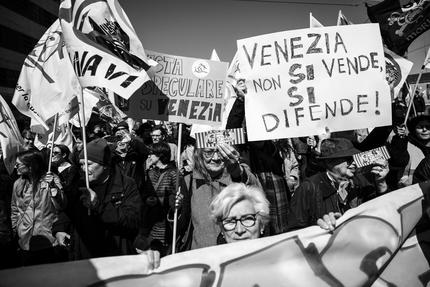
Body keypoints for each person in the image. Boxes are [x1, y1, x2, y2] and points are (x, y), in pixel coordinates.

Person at [53, 138, 141, 259]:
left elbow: (132, 221)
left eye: (88, 164)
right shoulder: (78, 183)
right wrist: (60, 229)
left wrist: (99, 206)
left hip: (114, 253)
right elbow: (67, 210)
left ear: (105, 165)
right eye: (81, 164)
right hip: (83, 253)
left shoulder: (126, 184)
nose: (84, 169)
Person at [287, 138, 389, 231]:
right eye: (348, 159)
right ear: (330, 162)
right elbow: (295, 231)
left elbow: (381, 214)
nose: (354, 162)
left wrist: (381, 183)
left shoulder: (360, 182)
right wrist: (321, 228)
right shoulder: (309, 187)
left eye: (355, 157)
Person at [189, 143, 261, 249]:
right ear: (199, 154)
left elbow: (256, 193)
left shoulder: (238, 174)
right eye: (209, 152)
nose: (216, 158)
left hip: (237, 254)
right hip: (203, 256)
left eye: (220, 152)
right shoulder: (189, 181)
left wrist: (237, 171)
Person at [11, 150, 66, 265]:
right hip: (26, 241)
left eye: (18, 164)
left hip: (48, 240)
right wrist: (17, 228)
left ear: (30, 166)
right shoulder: (18, 183)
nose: (15, 167)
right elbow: (15, 208)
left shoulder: (51, 179)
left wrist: (53, 188)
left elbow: (62, 206)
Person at [139, 142, 189, 256]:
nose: (149, 156)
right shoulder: (150, 172)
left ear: (160, 155)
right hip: (150, 222)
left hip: (165, 225)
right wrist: (147, 198)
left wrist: (160, 200)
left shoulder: (174, 174)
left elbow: (179, 197)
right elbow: (144, 192)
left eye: (152, 154)